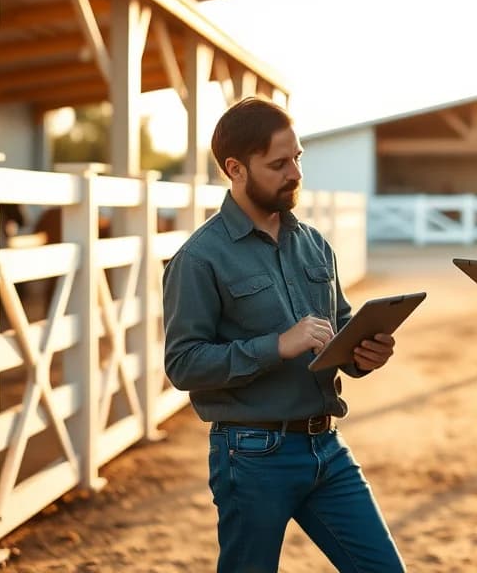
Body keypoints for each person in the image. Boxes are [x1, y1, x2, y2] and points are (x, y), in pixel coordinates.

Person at [162, 97, 405, 572]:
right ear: (235, 168)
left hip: (327, 446)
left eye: (297, 158)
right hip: (252, 454)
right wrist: (276, 346)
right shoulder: (198, 259)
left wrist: (364, 354)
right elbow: (183, 364)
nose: (294, 172)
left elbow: (339, 327)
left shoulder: (314, 243)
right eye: (278, 164)